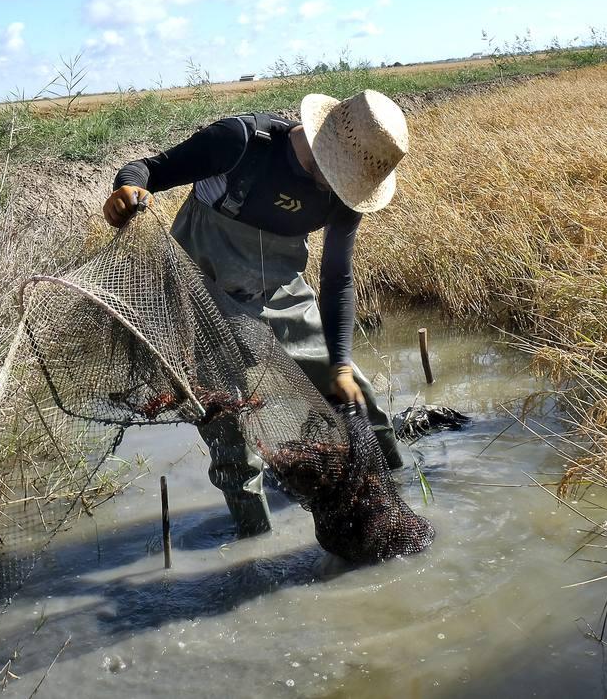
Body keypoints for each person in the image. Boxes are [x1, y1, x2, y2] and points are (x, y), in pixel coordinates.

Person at [103, 88, 409, 537]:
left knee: (357, 396)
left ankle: (394, 497)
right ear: (323, 143)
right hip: (203, 298)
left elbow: (338, 277)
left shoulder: (348, 188)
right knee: (230, 431)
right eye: (335, 177)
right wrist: (125, 191)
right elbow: (148, 170)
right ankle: (254, 542)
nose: (337, 189)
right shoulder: (240, 142)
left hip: (281, 289)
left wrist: (339, 363)